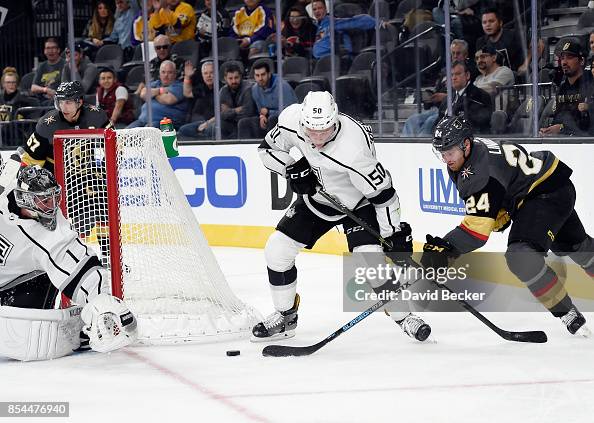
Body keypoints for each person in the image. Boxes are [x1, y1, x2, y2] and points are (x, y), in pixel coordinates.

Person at [251, 91, 432, 342]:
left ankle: (405, 317)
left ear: (335, 121)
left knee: (371, 262)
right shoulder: (292, 119)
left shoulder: (354, 149)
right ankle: (285, 316)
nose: (316, 138)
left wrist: (393, 232)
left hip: (359, 203)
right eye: (310, 131)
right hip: (319, 199)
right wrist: (291, 168)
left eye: (323, 131)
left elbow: (383, 195)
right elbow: (267, 149)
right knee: (277, 250)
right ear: (302, 121)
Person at [424, 116, 594, 336]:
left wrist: (446, 248)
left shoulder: (478, 172)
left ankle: (567, 313)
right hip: (551, 184)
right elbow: (495, 201)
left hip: (543, 194)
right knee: (578, 248)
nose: (446, 159)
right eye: (442, 153)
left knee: (521, 257)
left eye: (450, 152)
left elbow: (476, 232)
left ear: (466, 144)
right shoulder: (470, 154)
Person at [0, 161, 138, 361]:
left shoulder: (51, 233)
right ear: (24, 198)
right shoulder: (5, 185)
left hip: (15, 287)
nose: (51, 206)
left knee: (23, 333)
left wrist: (100, 301)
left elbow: (79, 266)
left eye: (54, 198)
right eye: (43, 201)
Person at [21, 81, 112, 173]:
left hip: (86, 173)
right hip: (53, 172)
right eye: (61, 102)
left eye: (68, 102)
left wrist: (103, 169)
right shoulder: (47, 124)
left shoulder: (96, 116)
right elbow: (29, 161)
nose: (63, 108)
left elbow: (114, 145)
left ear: (79, 103)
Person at [540, 41, 592, 137]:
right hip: (563, 140)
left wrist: (561, 128)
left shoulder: (590, 84)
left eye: (570, 57)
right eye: (562, 58)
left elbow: (587, 124)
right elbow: (559, 117)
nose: (564, 62)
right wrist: (548, 130)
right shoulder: (562, 88)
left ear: (582, 61)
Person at [238, 60, 297, 139]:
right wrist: (262, 116)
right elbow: (261, 110)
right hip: (267, 121)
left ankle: (272, 148)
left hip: (285, 124)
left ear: (269, 74)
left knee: (272, 119)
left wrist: (269, 112)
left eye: (263, 75)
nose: (260, 78)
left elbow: (290, 113)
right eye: (257, 75)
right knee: (244, 123)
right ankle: (246, 149)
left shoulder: (282, 86)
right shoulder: (255, 89)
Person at [434, 60, 493, 134]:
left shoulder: (479, 95)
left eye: (457, 74)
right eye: (451, 75)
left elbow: (475, 123)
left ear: (467, 75)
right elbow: (438, 123)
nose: (454, 78)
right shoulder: (447, 99)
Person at [127, 60, 188, 129]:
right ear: (159, 73)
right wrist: (160, 91)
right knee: (124, 135)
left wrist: (152, 94)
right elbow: (143, 94)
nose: (166, 75)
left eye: (170, 72)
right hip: (142, 121)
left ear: (175, 74)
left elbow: (168, 100)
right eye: (163, 72)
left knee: (147, 132)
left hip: (166, 122)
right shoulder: (156, 83)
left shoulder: (180, 86)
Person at [311, 0, 375, 60]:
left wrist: (377, 22)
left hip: (332, 61)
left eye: (320, 8)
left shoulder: (333, 22)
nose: (317, 11)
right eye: (314, 9)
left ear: (325, 9)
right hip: (318, 62)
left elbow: (357, 21)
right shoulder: (318, 26)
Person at [475, 8, 524, 72]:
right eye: (484, 22)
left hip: (517, 78)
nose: (487, 25)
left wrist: (525, 64)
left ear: (500, 23)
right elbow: (481, 65)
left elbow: (538, 44)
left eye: (491, 21)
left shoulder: (513, 35)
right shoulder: (481, 42)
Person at [178, 61, 218, 138]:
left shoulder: (221, 88)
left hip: (216, 122)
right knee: (183, 130)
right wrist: (187, 77)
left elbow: (223, 113)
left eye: (211, 73)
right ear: (202, 75)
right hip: (202, 122)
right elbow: (187, 93)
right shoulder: (202, 88)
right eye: (205, 73)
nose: (208, 76)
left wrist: (207, 123)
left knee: (209, 130)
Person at [0, 68, 39, 146]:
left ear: (17, 84)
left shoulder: (25, 100)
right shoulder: (0, 98)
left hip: (18, 137)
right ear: (3, 84)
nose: (11, 85)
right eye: (8, 82)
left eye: (13, 82)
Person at [473, 44, 514, 111]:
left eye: (483, 56)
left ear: (494, 57)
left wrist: (471, 92)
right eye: (477, 58)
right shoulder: (478, 79)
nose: (479, 60)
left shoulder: (504, 71)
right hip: (480, 115)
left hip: (500, 116)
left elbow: (492, 88)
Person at [30, 37, 65, 106]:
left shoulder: (65, 64)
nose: (50, 51)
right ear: (44, 51)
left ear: (58, 50)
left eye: (53, 48)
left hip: (60, 100)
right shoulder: (42, 66)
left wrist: (55, 93)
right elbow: (33, 87)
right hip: (43, 100)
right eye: (48, 48)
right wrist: (46, 90)